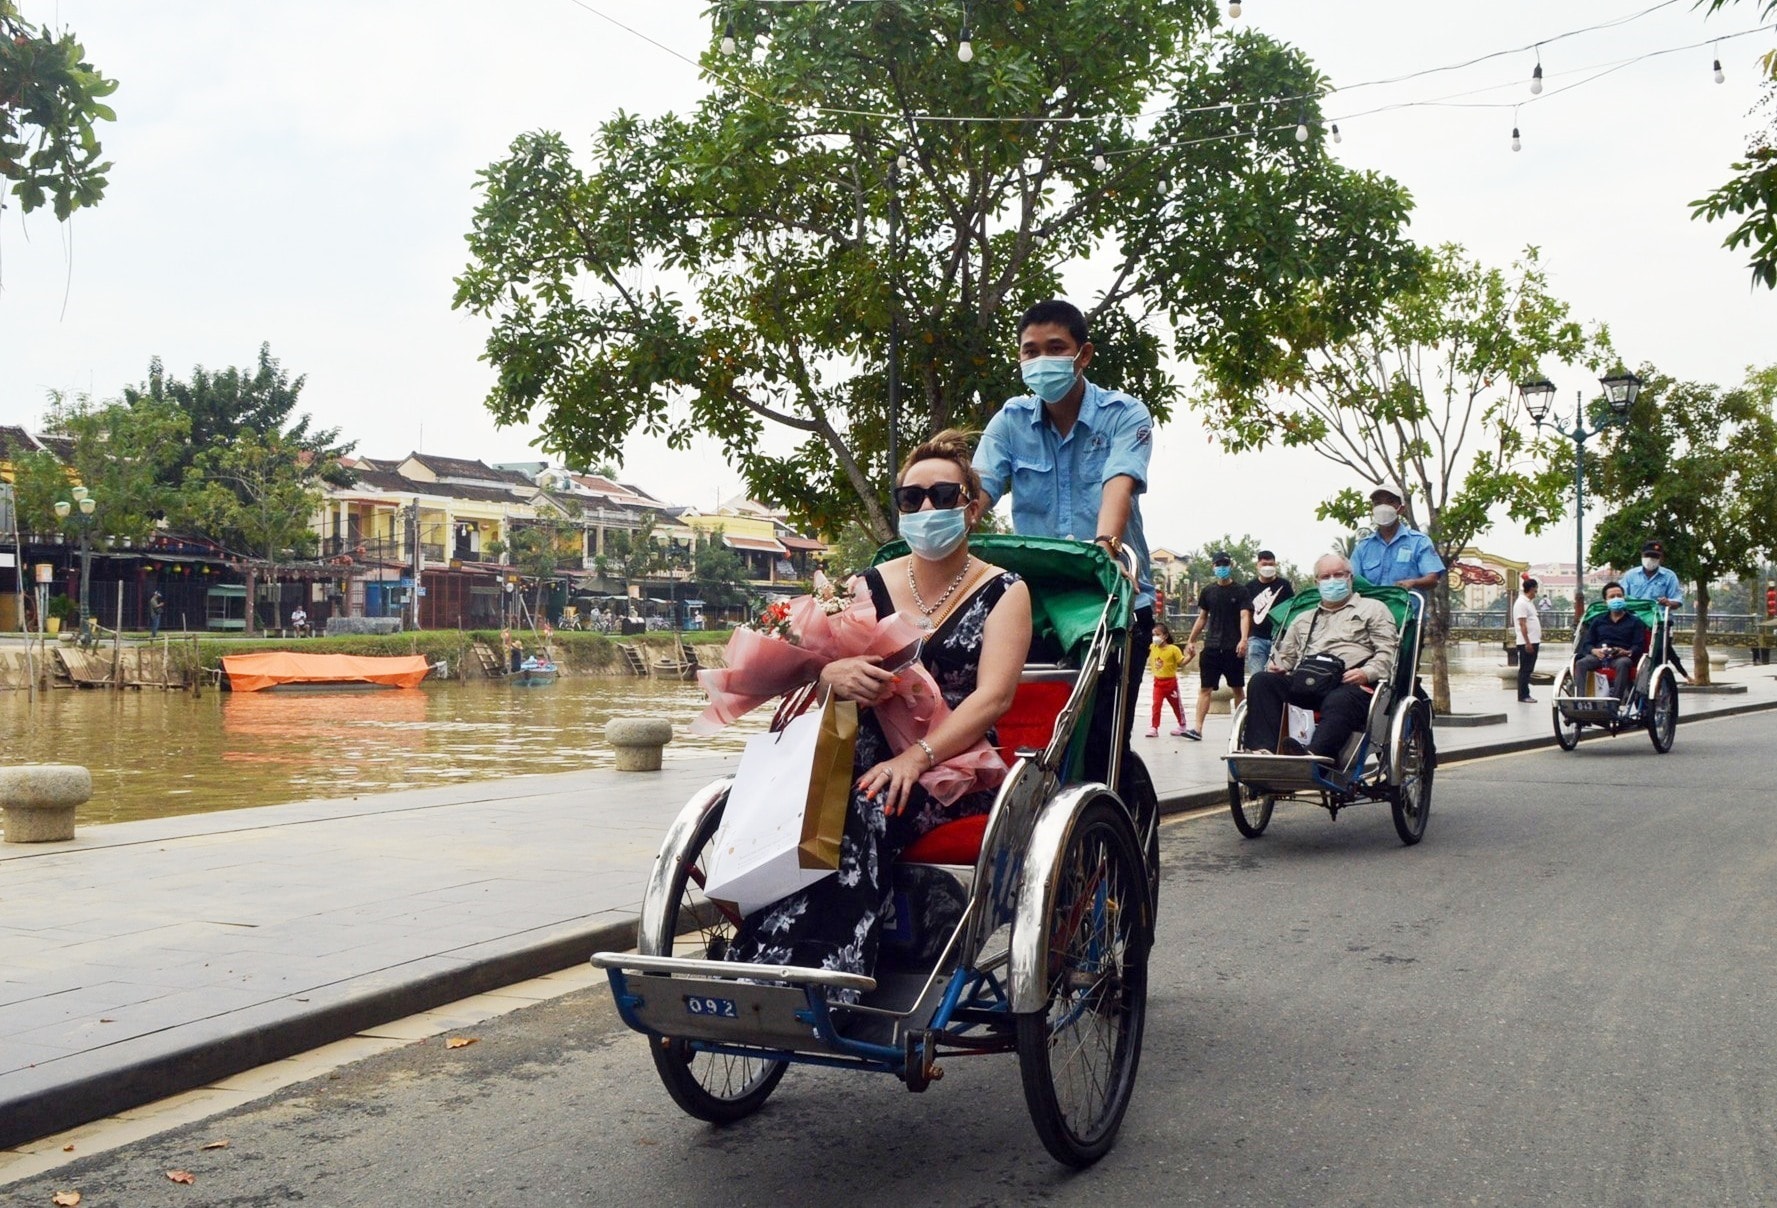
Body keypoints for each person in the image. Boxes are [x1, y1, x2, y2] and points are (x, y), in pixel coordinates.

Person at [727, 430, 1032, 982]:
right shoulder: (863, 585)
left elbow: (995, 697)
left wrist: (915, 758)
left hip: (948, 767)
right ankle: (761, 962)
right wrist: (829, 672)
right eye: (910, 499)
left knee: (862, 804)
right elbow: (814, 672)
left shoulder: (1005, 591)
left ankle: (828, 974)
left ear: (972, 507)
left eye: (941, 496)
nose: (924, 508)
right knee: (796, 803)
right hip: (856, 751)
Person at [973, 298, 1155, 781]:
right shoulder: (1010, 422)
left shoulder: (1125, 413)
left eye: (1055, 348)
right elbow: (979, 491)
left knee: (1101, 740)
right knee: (1024, 733)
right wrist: (943, 527)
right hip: (1033, 603)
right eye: (1029, 351)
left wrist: (1105, 548)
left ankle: (1115, 834)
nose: (1041, 360)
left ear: (1083, 354)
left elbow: (1119, 483)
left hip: (1113, 599)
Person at [1243, 554, 1398, 761]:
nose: (1332, 580)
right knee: (1262, 681)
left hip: (1348, 684)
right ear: (1317, 582)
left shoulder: (1373, 609)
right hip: (1306, 682)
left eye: (1338, 575)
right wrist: (1278, 667)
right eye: (1325, 577)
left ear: (1350, 578)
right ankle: (1263, 752)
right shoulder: (1302, 619)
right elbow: (1286, 658)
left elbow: (1388, 653)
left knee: (1340, 699)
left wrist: (1365, 673)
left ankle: (1314, 755)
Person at [1181, 551, 1251, 741]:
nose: (1222, 567)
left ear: (1231, 566)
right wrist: (1191, 639)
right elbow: (1202, 617)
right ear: (1213, 566)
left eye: (1225, 564)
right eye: (1218, 564)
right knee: (1205, 689)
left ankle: (1242, 730)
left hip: (1233, 647)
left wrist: (1243, 639)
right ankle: (1197, 728)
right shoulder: (1208, 591)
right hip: (1212, 647)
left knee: (1237, 688)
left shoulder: (1241, 591)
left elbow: (1245, 616)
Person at [1351, 484, 1444, 591]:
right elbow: (1351, 579)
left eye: (1390, 502)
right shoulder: (1363, 547)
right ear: (1372, 509)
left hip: (1406, 605)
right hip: (1372, 606)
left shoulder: (1419, 542)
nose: (1383, 507)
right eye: (1378, 503)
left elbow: (1432, 578)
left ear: (1401, 509)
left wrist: (1413, 582)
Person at [1621, 539, 1689, 683]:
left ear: (1661, 558)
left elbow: (1677, 600)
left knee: (1660, 650)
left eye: (1655, 556)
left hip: (1658, 621)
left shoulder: (1669, 576)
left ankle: (1658, 678)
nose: (1651, 560)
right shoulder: (1630, 575)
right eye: (1648, 556)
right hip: (1633, 620)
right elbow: (1621, 596)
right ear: (1642, 556)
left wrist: (1669, 602)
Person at [1575, 581, 1652, 705]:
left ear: (1624, 598)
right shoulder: (1598, 621)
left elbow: (1638, 645)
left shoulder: (1635, 622)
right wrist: (1595, 651)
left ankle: (1615, 702)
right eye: (1612, 597)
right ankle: (1581, 702)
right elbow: (1587, 643)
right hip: (1599, 656)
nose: (1616, 599)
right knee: (1581, 663)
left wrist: (1626, 652)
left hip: (1620, 657)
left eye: (1619, 596)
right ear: (1606, 601)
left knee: (1623, 663)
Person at [1245, 549, 1295, 678]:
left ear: (1275, 565)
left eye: (1270, 564)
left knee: (1277, 676)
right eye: (1264, 564)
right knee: (1257, 677)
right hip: (1256, 638)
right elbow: (1246, 614)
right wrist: (1245, 637)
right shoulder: (1249, 587)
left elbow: (1291, 610)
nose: (1267, 567)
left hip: (1279, 639)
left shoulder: (1284, 585)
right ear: (1257, 565)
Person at [1145, 622, 1189, 738]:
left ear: (1165, 636)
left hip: (1170, 683)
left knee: (1176, 705)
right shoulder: (1152, 647)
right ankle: (1154, 727)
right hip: (1157, 683)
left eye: (1157, 634)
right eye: (1153, 634)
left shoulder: (1173, 649)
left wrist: (1191, 656)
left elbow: (1181, 663)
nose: (1155, 637)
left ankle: (1182, 724)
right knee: (1156, 705)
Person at [1514, 577, 1542, 703]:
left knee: (1529, 669)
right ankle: (1523, 695)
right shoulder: (1521, 603)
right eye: (1535, 591)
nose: (1536, 593)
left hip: (1533, 640)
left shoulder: (1529, 603)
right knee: (1525, 669)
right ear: (1531, 589)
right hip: (1527, 642)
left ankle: (1525, 693)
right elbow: (1522, 624)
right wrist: (1527, 642)